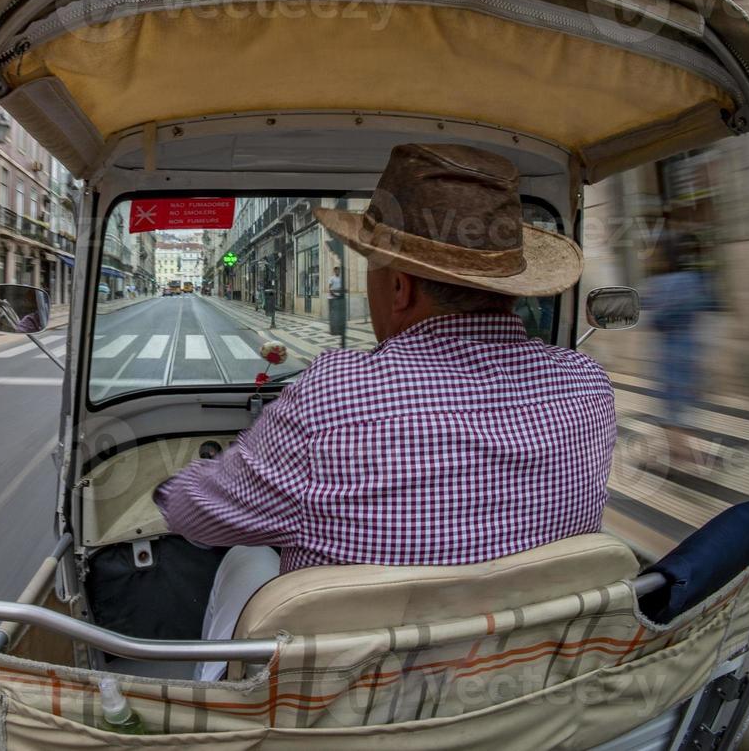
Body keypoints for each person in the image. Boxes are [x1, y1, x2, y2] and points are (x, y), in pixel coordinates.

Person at [153, 144, 615, 680]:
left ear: (399, 287)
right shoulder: (589, 387)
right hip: (519, 686)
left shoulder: (333, 396)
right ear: (508, 289)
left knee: (244, 559)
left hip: (356, 703)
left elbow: (194, 515)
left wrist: (177, 484)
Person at [641, 231, 718, 466]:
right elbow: (703, 306)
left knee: (671, 404)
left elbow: (657, 318)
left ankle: (682, 453)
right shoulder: (695, 280)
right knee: (681, 403)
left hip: (669, 350)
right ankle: (677, 451)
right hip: (690, 346)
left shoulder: (660, 283)